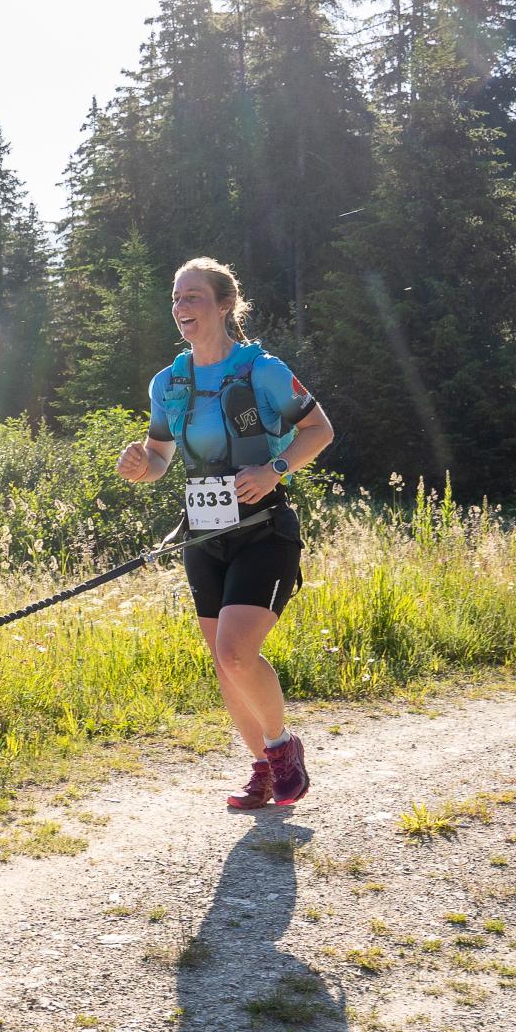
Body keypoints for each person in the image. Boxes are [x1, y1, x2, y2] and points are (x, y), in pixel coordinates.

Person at [116, 257, 334, 810]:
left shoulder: (262, 370)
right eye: (175, 298)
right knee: (222, 660)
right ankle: (263, 769)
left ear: (224, 304)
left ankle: (282, 747)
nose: (180, 307)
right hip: (203, 536)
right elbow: (161, 456)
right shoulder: (168, 382)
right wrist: (142, 466)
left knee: (237, 652)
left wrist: (274, 470)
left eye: (192, 296)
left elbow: (319, 430)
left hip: (264, 529)